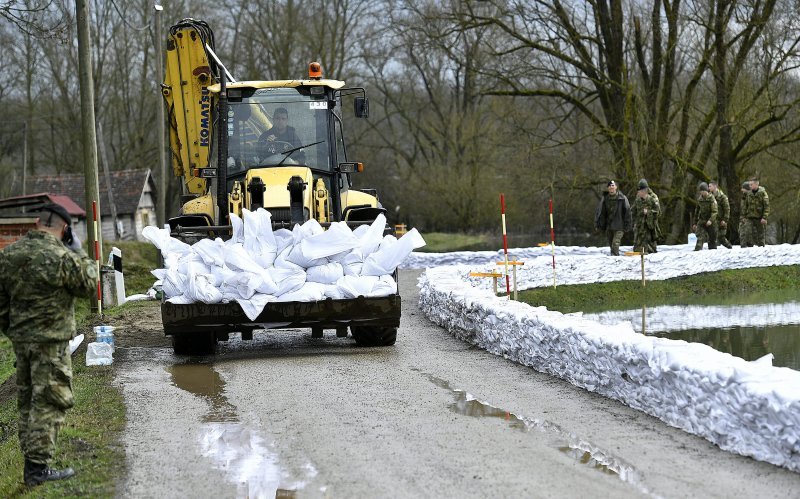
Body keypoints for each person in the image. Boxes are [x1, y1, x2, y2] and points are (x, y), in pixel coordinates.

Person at [0, 203, 97, 486]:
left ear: (38, 223)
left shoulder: (9, 255)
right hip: (51, 343)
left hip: (22, 342)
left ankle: (31, 463)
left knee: (28, 401)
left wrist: (15, 330)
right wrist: (77, 249)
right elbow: (89, 285)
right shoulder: (60, 256)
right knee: (49, 401)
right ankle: (37, 470)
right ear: (65, 229)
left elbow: (0, 304)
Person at [594, 180, 631, 256]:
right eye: (610, 186)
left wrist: (627, 225)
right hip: (609, 227)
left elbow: (627, 212)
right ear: (608, 188)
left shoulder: (622, 198)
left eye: (613, 185)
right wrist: (599, 224)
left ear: (616, 187)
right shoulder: (605, 199)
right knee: (611, 246)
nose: (611, 187)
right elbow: (601, 213)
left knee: (615, 244)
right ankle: (614, 262)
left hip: (619, 226)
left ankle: (616, 260)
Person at [631, 179, 660, 253]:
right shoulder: (639, 197)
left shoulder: (653, 197)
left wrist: (648, 213)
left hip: (650, 225)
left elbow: (658, 212)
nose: (638, 192)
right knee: (638, 246)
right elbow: (634, 209)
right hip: (640, 225)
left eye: (640, 189)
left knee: (651, 246)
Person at [743, 176, 770, 246]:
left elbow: (767, 206)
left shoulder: (763, 193)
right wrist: (744, 216)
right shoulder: (748, 194)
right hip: (750, 217)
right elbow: (745, 206)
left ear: (756, 184)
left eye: (751, 184)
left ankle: (761, 250)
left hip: (760, 218)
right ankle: (750, 249)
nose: (750, 186)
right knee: (747, 233)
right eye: (749, 184)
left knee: (761, 237)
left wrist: (764, 217)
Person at [692, 182, 718, 250]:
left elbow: (714, 211)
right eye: (701, 191)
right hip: (702, 221)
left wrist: (710, 220)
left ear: (706, 191)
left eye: (703, 191)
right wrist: (694, 223)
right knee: (700, 238)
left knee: (712, 241)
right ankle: (697, 251)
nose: (701, 193)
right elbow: (696, 211)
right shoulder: (699, 199)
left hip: (711, 222)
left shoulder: (712, 199)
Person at [708, 181, 733, 249]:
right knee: (712, 237)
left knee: (721, 237)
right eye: (708, 186)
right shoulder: (709, 196)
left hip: (720, 220)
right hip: (712, 220)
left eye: (710, 186)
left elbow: (727, 209)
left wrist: (725, 220)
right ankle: (712, 252)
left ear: (715, 186)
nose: (709, 188)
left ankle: (729, 248)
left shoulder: (722, 197)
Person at [739, 180, 752, 247]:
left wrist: (746, 217)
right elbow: (743, 209)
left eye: (743, 188)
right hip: (743, 218)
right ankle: (743, 247)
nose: (742, 190)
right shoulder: (743, 197)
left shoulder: (751, 197)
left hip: (749, 218)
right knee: (742, 234)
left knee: (748, 235)